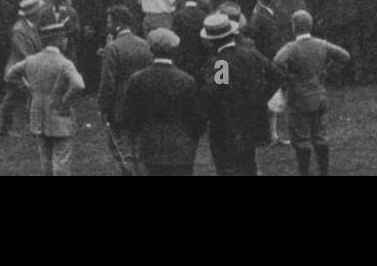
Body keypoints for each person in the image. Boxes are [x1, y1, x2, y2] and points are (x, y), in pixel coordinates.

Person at [198, 12, 279, 176]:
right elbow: (276, 75)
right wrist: (262, 97)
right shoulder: (251, 54)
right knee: (249, 165)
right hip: (252, 119)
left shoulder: (221, 62)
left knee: (228, 168)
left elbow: (216, 93)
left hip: (227, 125)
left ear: (211, 40)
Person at [4, 18, 86, 175]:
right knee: (61, 159)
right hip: (60, 116)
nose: (66, 41)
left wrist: (28, 88)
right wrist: (65, 100)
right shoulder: (64, 63)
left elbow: (10, 75)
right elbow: (79, 84)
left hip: (38, 115)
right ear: (58, 41)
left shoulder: (32, 60)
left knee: (45, 161)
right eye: (64, 38)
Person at [119, 28, 206, 176]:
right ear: (174, 50)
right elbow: (196, 117)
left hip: (149, 147)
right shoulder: (186, 80)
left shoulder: (138, 79)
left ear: (151, 49)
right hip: (180, 149)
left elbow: (128, 115)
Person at [273, 10, 350, 176]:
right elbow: (345, 56)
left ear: (294, 27)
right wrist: (325, 69)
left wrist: (289, 76)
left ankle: (304, 172)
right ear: (311, 25)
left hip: (299, 98)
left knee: (301, 140)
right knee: (320, 136)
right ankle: (324, 171)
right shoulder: (322, 44)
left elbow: (278, 60)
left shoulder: (292, 47)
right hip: (319, 95)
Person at [98, 5, 151, 175]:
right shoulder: (144, 44)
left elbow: (108, 83)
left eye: (109, 22)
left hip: (120, 103)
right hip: (142, 101)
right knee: (138, 148)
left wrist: (103, 107)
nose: (108, 25)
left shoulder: (113, 48)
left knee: (121, 148)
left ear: (118, 23)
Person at [0, 0, 43, 136]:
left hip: (24, 68)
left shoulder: (31, 26)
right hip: (18, 71)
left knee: (15, 98)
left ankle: (9, 128)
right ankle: (7, 128)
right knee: (12, 99)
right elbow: (23, 53)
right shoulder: (19, 30)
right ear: (34, 13)